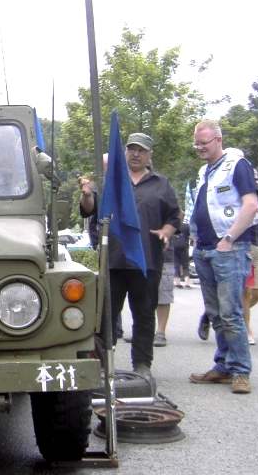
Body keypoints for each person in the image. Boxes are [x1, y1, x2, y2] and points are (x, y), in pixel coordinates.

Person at [80, 133, 180, 378]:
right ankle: (102, 367)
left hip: (146, 261)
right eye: (131, 149)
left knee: (144, 316)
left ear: (149, 155)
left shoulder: (161, 184)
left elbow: (174, 217)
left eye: (141, 150)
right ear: (124, 152)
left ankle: (142, 366)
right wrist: (87, 194)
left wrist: (166, 231)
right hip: (113, 260)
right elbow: (88, 211)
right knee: (105, 318)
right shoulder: (112, 182)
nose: (136, 154)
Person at [188, 120, 258, 394]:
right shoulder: (205, 171)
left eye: (204, 143)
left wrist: (228, 239)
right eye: (197, 144)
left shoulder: (237, 164)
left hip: (229, 248)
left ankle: (241, 371)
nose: (200, 148)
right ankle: (223, 366)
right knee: (216, 314)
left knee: (231, 314)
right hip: (204, 249)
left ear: (218, 139)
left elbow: (251, 205)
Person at [242, 170, 258, 345]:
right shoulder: (240, 198)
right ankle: (246, 328)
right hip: (246, 246)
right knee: (247, 292)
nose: (256, 182)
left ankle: (227, 316)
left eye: (257, 179)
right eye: (253, 179)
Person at [154, 245, 175, 347]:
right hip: (140, 253)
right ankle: (141, 330)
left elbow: (175, 229)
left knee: (163, 294)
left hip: (163, 255)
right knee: (140, 294)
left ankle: (160, 332)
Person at [173, 218, 191, 289]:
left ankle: (177, 283)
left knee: (176, 264)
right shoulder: (186, 226)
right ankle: (187, 283)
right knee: (185, 265)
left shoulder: (173, 225)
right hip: (184, 247)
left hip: (175, 247)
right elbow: (190, 236)